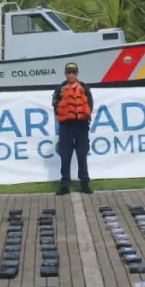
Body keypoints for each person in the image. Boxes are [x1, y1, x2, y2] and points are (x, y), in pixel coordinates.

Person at [51, 62, 94, 195]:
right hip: (66, 127)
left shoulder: (85, 88)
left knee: (82, 155)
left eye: (73, 72)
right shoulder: (60, 89)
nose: (71, 75)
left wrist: (83, 116)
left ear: (77, 74)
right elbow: (55, 105)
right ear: (65, 74)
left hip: (81, 126)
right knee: (65, 156)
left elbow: (90, 104)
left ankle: (85, 184)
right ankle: (65, 185)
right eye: (69, 72)